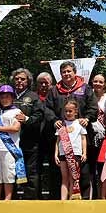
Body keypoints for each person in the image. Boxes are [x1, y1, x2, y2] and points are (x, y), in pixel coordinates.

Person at [43, 61, 98, 198]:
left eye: (69, 71)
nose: (66, 74)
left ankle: (84, 200)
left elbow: (93, 108)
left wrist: (87, 118)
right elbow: (47, 109)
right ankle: (59, 202)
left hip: (81, 139)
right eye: (64, 72)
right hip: (61, 138)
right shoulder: (54, 91)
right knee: (59, 175)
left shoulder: (85, 89)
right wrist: (54, 120)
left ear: (74, 73)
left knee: (84, 173)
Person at [0, 84, 25, 201]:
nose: (5, 99)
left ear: (12, 97)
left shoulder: (16, 111)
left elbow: (15, 128)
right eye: (2, 97)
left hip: (9, 148)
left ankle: (7, 199)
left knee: (8, 175)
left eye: (7, 97)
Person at [11, 68, 43, 199]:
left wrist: (27, 119)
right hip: (10, 141)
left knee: (31, 172)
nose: (19, 81)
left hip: (29, 141)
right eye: (17, 79)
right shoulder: (8, 95)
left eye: (22, 79)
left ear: (28, 81)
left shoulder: (34, 97)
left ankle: (31, 200)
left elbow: (40, 115)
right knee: (10, 171)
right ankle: (10, 198)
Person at [54, 99, 88, 200]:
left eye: (70, 111)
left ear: (76, 112)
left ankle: (71, 198)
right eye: (66, 111)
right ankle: (63, 200)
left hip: (76, 153)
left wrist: (84, 153)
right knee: (64, 178)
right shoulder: (61, 125)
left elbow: (83, 139)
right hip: (63, 153)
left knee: (73, 177)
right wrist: (55, 154)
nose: (68, 113)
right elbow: (57, 141)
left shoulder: (79, 123)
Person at [35, 72, 57, 198]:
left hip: (52, 138)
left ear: (51, 84)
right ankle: (36, 197)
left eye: (46, 83)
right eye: (41, 83)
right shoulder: (33, 97)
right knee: (36, 170)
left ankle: (54, 196)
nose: (43, 85)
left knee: (54, 169)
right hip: (36, 139)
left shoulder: (55, 95)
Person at [87, 73, 106, 198]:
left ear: (105, 84)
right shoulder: (88, 96)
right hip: (90, 136)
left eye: (101, 82)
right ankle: (90, 196)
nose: (98, 84)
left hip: (104, 137)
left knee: (102, 168)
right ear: (92, 82)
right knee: (90, 168)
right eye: (95, 81)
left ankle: (102, 196)